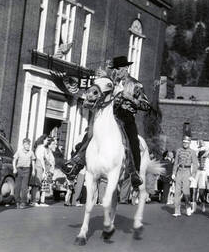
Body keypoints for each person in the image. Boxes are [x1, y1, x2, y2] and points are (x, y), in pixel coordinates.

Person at [62, 56, 150, 190]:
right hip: (109, 114)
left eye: (118, 69)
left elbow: (146, 105)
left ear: (126, 68)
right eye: (114, 69)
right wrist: (104, 79)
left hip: (126, 116)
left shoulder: (135, 84)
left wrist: (131, 98)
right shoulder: (112, 81)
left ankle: (135, 173)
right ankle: (76, 163)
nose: (116, 72)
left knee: (132, 139)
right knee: (91, 132)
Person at [172, 135, 198, 217]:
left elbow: (195, 164)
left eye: (187, 142)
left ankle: (188, 206)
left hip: (187, 172)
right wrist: (173, 173)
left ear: (189, 143)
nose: (185, 144)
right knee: (177, 191)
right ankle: (177, 210)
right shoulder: (178, 151)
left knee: (186, 192)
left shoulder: (192, 152)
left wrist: (193, 175)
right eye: (184, 142)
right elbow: (176, 162)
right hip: (179, 171)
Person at [13, 138, 36, 209]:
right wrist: (14, 168)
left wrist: (33, 170)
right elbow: (14, 160)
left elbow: (33, 161)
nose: (27, 146)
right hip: (19, 169)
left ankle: (23, 202)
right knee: (17, 187)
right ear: (23, 145)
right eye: (26, 144)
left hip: (27, 170)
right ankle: (17, 201)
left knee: (24, 187)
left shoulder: (31, 152)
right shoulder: (19, 151)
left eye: (29, 144)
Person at [29, 135, 48, 206]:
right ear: (43, 140)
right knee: (37, 184)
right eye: (46, 140)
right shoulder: (42, 148)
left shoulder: (38, 147)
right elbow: (41, 158)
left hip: (37, 164)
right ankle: (34, 201)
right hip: (39, 165)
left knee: (35, 184)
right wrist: (44, 168)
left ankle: (33, 200)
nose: (47, 141)